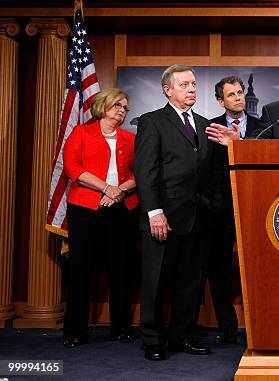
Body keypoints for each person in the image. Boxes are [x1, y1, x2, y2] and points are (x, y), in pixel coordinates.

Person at [134, 64, 226, 361]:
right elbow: (145, 171)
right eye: (185, 85)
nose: (191, 90)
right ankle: (153, 340)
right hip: (164, 217)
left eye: (194, 85)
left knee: (190, 282)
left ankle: (182, 335)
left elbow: (212, 172)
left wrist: (211, 203)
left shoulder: (204, 124)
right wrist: (154, 211)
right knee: (156, 281)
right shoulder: (152, 122)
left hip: (197, 217)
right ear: (168, 90)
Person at [62, 88, 138, 348]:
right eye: (117, 105)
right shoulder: (81, 133)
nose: (122, 111)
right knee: (80, 270)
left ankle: (121, 328)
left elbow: (140, 173)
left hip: (122, 210)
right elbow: (73, 168)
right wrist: (106, 189)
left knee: (122, 271)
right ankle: (75, 331)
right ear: (102, 106)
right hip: (85, 210)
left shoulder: (131, 138)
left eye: (125, 107)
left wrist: (118, 193)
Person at [206, 76, 265, 343]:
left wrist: (239, 145)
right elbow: (205, 170)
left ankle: (262, 325)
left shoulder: (264, 127)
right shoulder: (210, 129)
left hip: (258, 206)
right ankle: (227, 328)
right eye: (231, 95)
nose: (238, 98)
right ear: (221, 101)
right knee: (219, 270)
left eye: (240, 92)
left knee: (261, 267)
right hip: (221, 210)